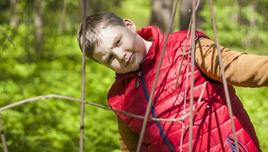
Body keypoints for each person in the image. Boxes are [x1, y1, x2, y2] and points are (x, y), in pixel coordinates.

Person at [77, 12, 268, 152]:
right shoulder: (120, 98)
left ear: (129, 25)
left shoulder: (186, 46)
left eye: (118, 42)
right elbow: (131, 146)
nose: (121, 55)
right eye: (109, 58)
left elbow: (237, 67)